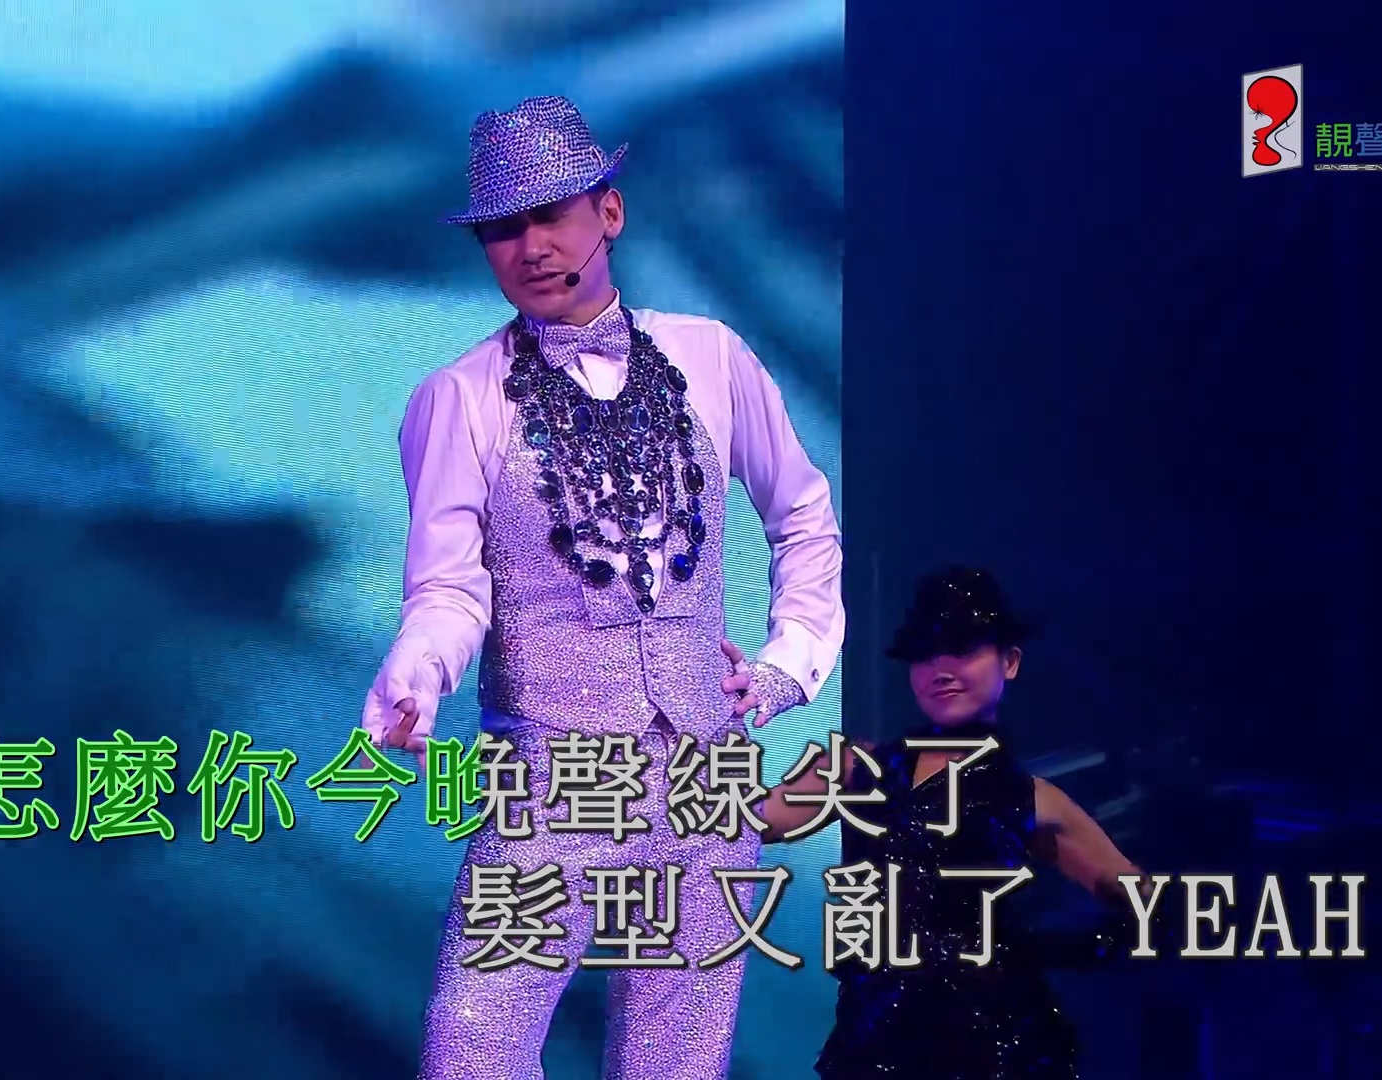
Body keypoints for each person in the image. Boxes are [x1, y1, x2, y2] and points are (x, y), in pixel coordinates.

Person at [362, 96, 843, 1080]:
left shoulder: (711, 355)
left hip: (707, 775)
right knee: (470, 1046)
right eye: (503, 230)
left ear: (609, 213)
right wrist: (418, 669)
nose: (530, 247)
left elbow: (803, 513)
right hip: (556, 780)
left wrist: (789, 664)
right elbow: (448, 588)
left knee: (679, 1057)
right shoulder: (458, 398)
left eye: (551, 216)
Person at [761, 567, 1147, 1078]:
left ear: (1010, 661)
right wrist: (712, 707)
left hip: (1000, 1050)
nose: (941, 668)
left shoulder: (1034, 800)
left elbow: (1143, 902)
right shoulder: (855, 767)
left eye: (963, 648)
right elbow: (745, 823)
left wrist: (1046, 946)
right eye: (924, 654)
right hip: (875, 1043)